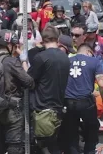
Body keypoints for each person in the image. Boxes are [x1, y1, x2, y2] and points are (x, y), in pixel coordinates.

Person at [28, 25, 70, 154]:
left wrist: (24, 61)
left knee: (44, 145)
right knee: (52, 144)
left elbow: (28, 80)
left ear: (43, 39)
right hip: (57, 107)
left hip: (42, 108)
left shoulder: (41, 57)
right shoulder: (65, 58)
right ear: (57, 39)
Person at [60, 43, 103, 154]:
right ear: (88, 52)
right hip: (86, 103)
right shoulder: (94, 62)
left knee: (71, 133)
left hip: (68, 102)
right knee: (92, 129)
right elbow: (102, 84)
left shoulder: (67, 61)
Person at [0, 29, 34, 154]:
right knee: (14, 145)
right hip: (12, 110)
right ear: (9, 45)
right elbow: (29, 82)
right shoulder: (11, 62)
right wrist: (23, 60)